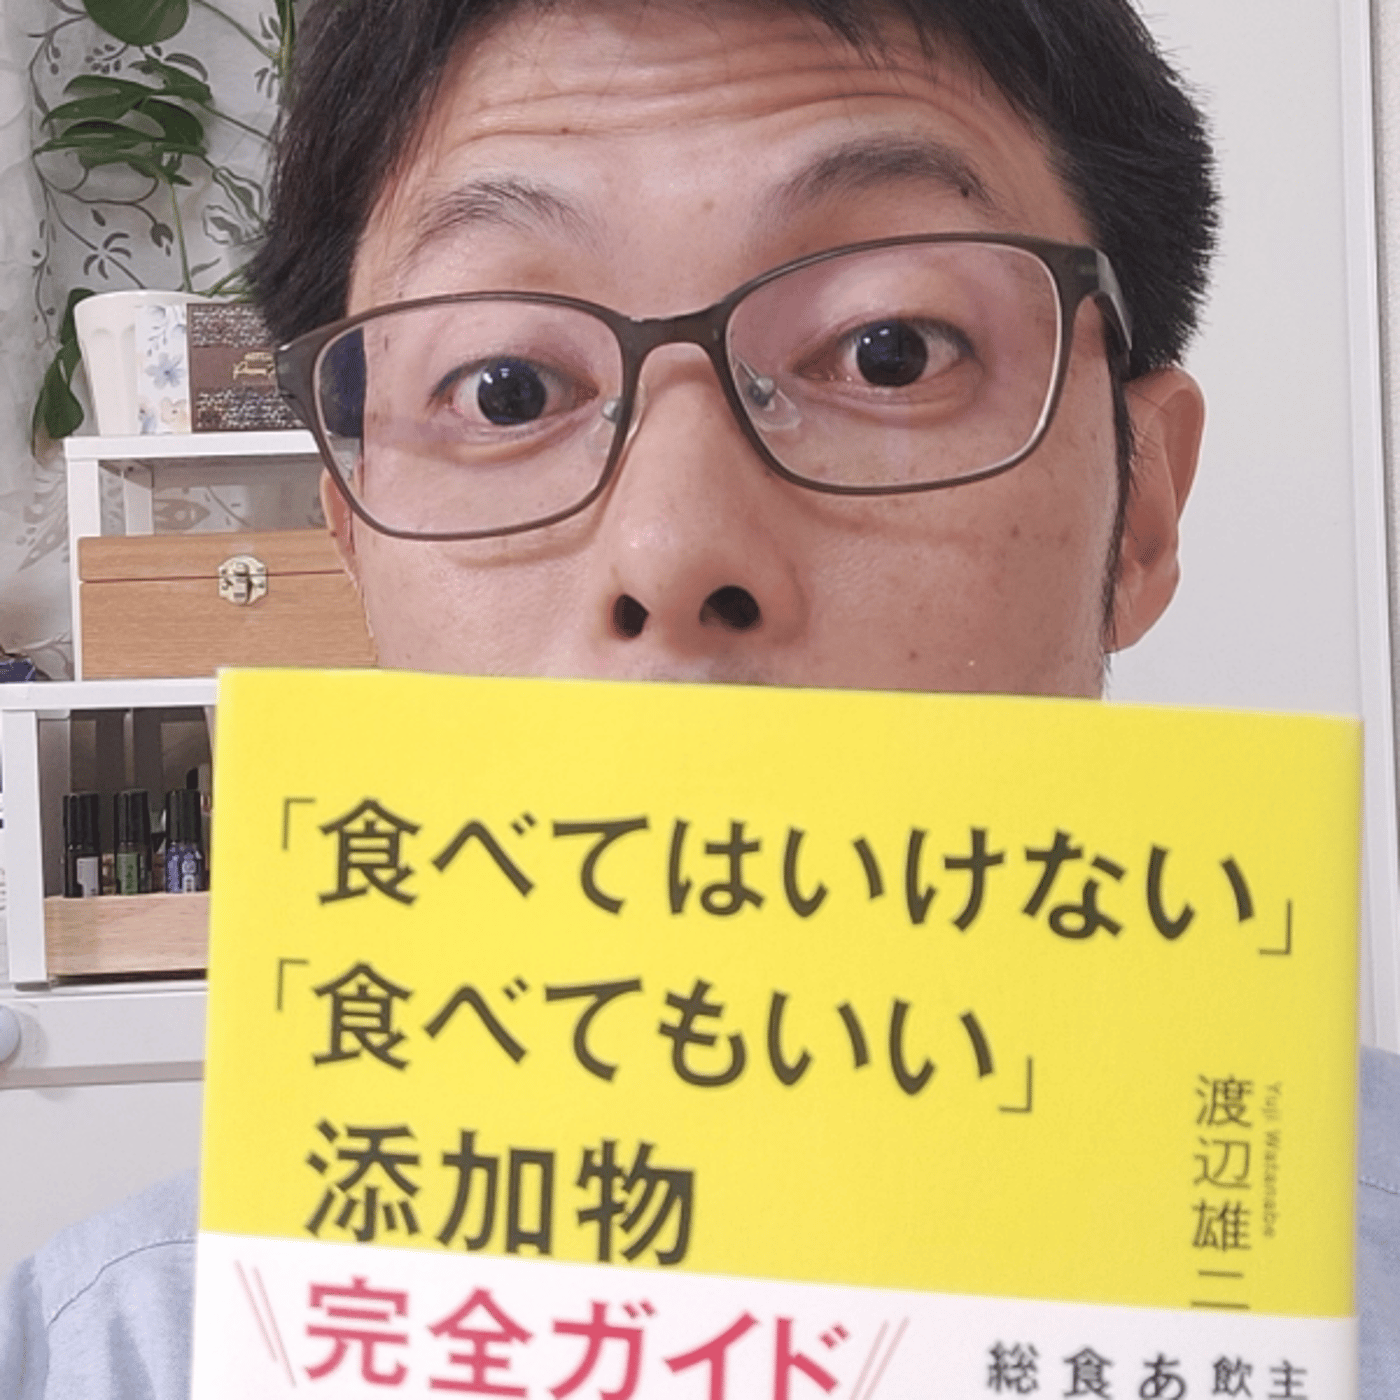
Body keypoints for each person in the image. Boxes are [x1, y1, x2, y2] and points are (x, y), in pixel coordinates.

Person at [4, 0, 1395, 1396]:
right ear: (352, 545)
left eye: (891, 350)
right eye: (505, 389)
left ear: (1141, 513)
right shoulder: (108, 1357)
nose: (671, 551)